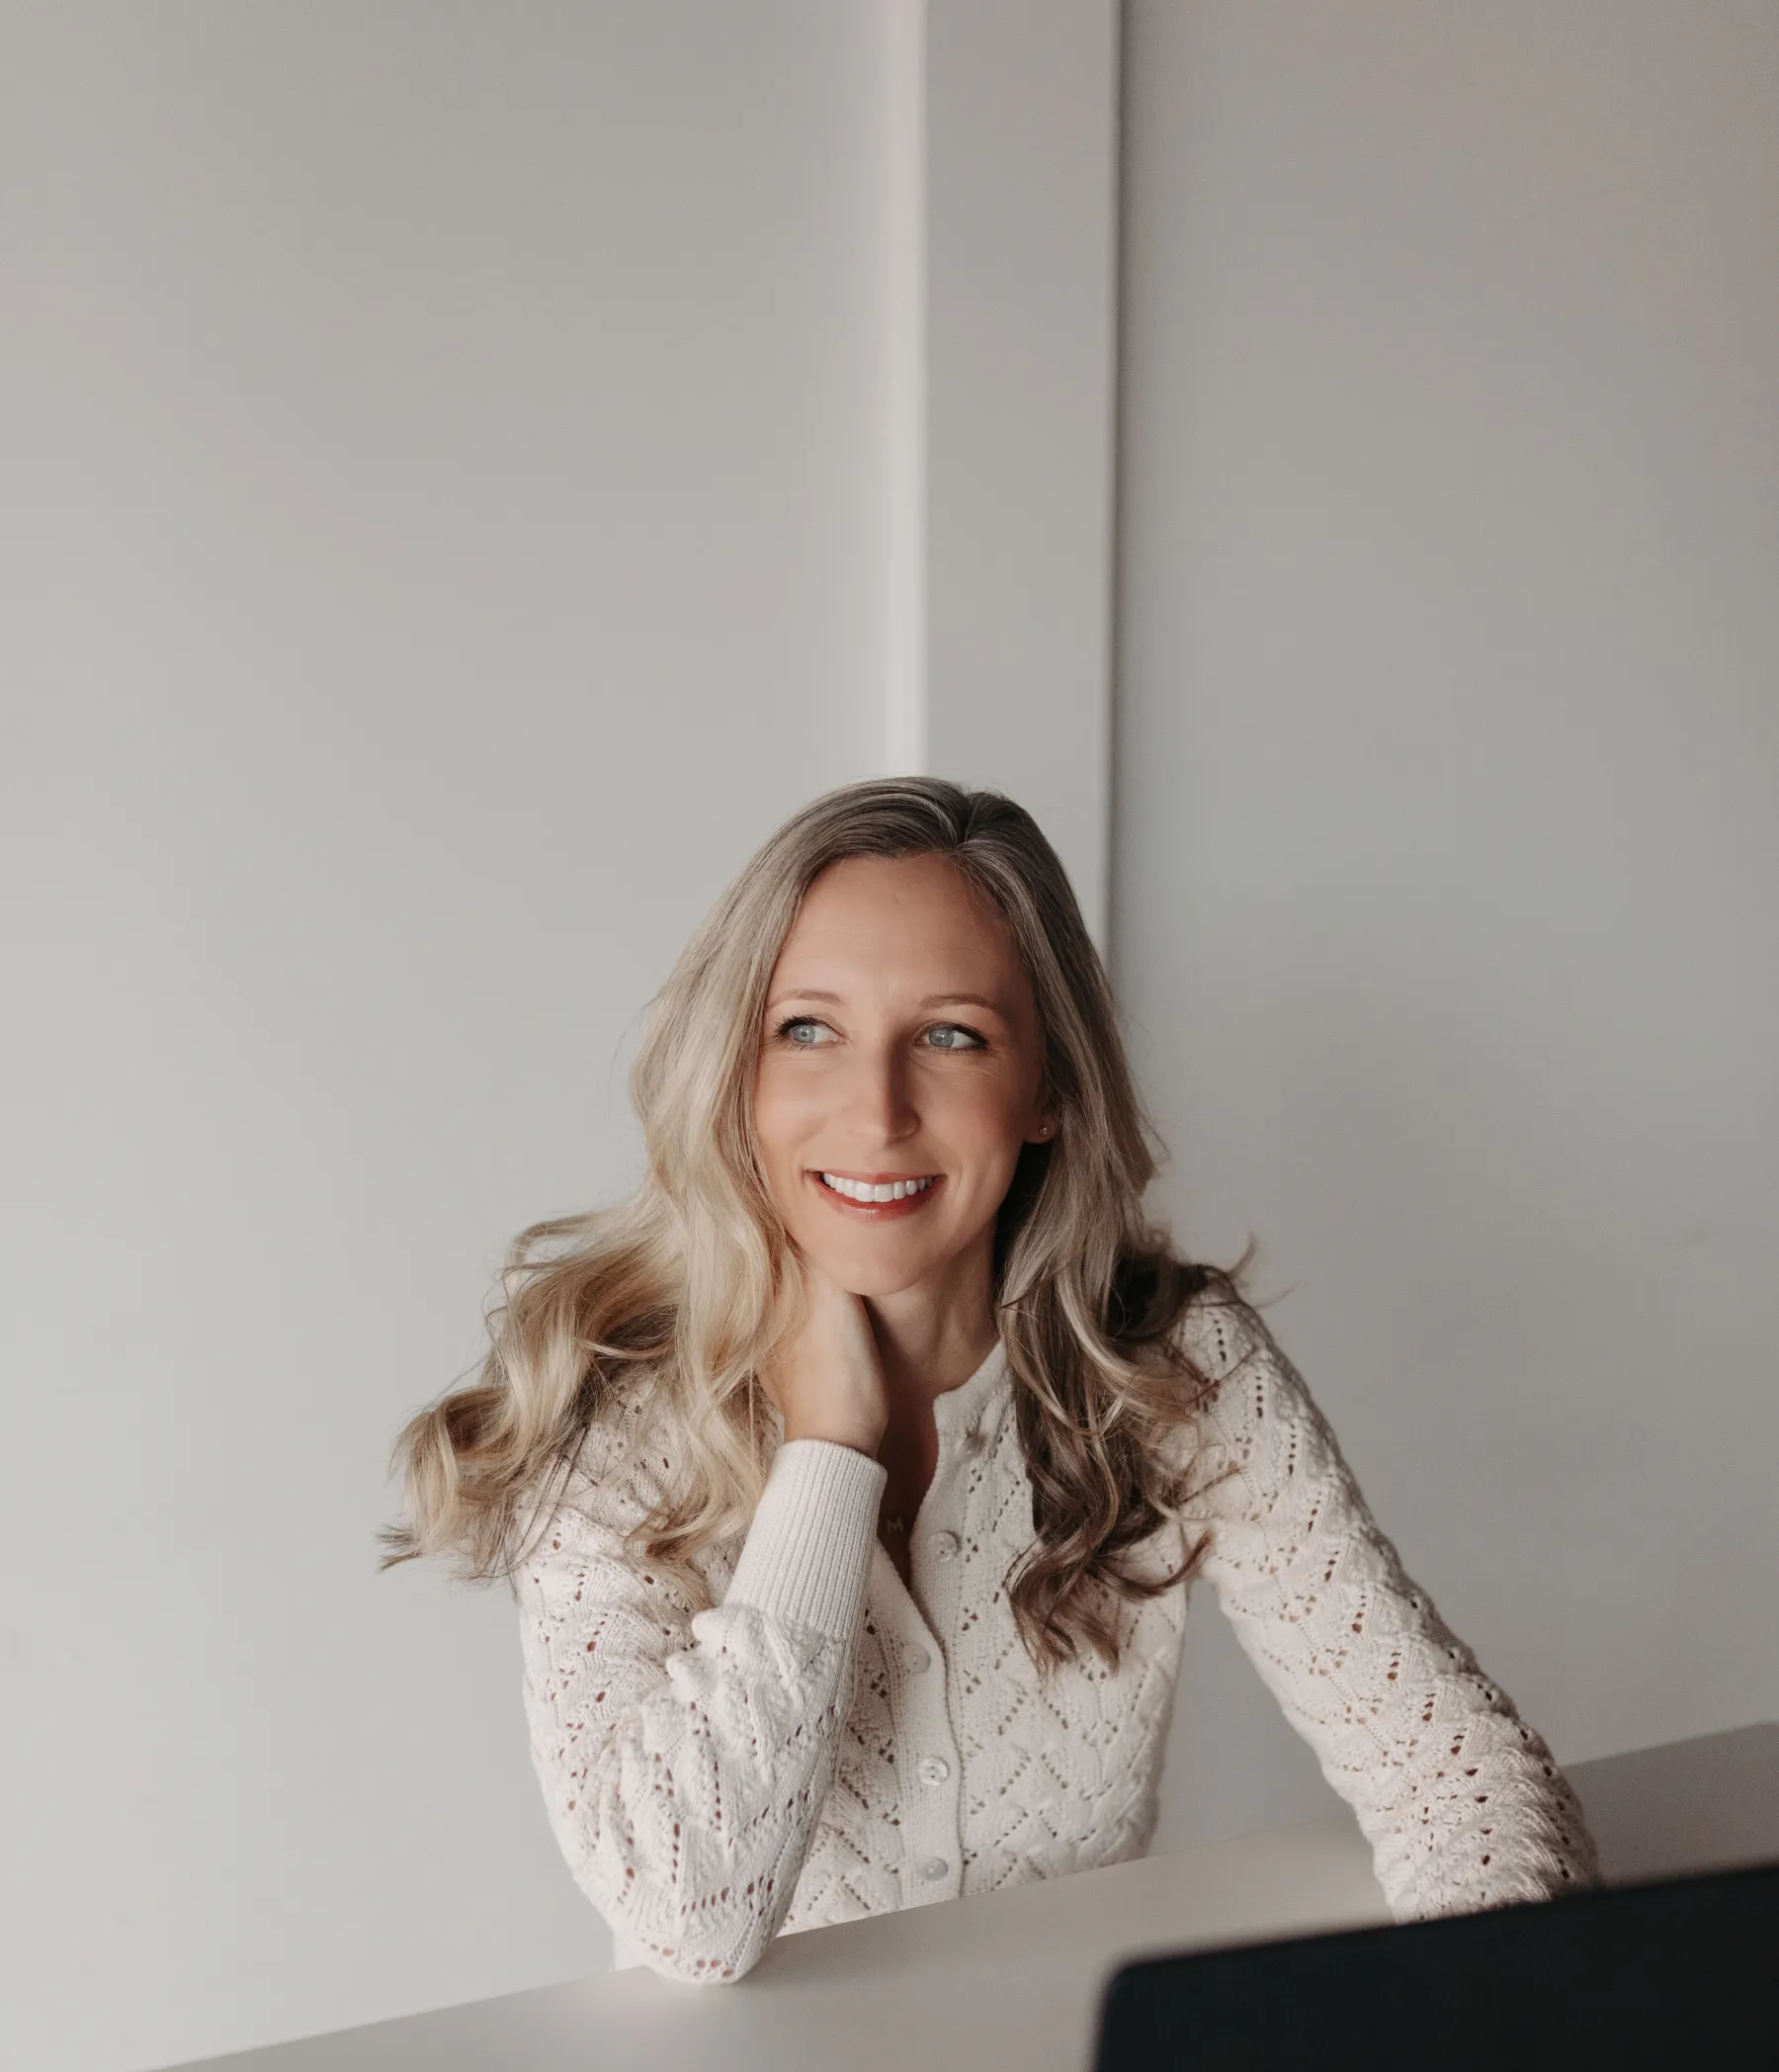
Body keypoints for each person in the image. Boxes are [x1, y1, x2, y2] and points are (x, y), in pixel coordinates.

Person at [382, 777, 1599, 1982]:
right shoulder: (611, 1408)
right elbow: (684, 1919)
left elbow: (1455, 1772)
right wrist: (828, 1453)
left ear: (1049, 1093)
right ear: (734, 1071)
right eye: (807, 1029)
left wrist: (1485, 2057)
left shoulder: (1169, 1367)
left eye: (951, 1037)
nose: (878, 1112)